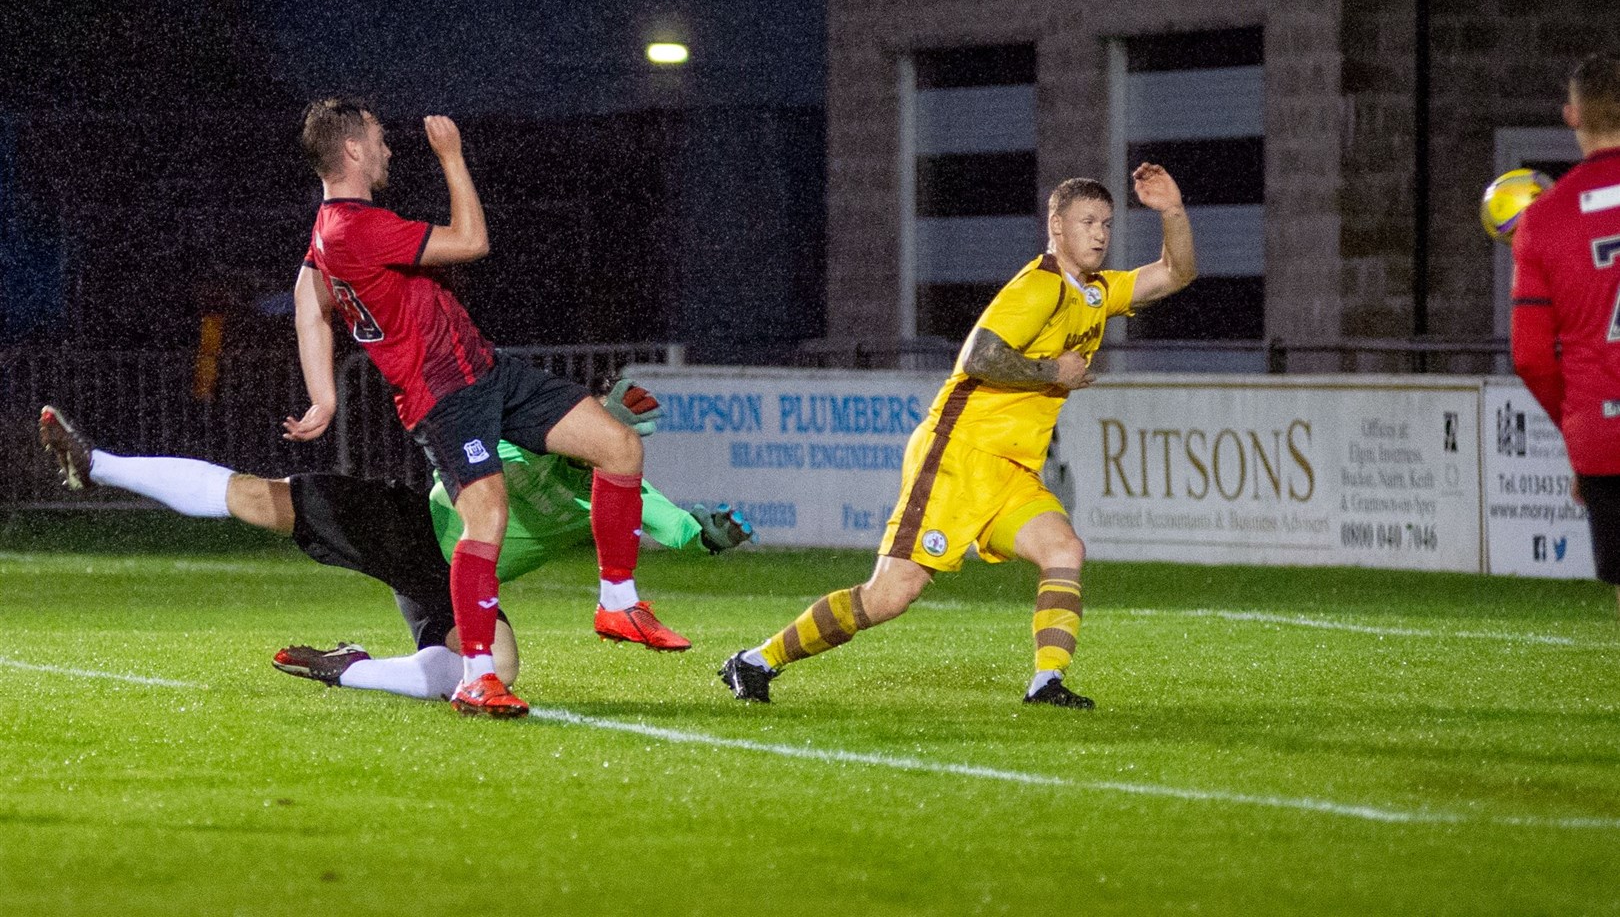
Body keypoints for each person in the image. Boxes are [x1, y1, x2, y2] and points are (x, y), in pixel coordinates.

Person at [719, 165, 1197, 707]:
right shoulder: (1038, 287)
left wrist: (1172, 212)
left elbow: (1175, 273)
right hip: (958, 455)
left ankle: (1047, 683)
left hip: (1011, 469)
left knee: (1064, 548)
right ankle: (755, 661)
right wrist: (1049, 373)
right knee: (891, 595)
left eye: (1107, 224)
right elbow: (978, 357)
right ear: (1057, 227)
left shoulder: (1094, 294)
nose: (1100, 234)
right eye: (1087, 222)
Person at [287, 99, 657, 718]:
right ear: (351, 149)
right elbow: (472, 240)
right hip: (444, 394)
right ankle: (477, 678)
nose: (387, 148)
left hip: (485, 370)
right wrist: (452, 156)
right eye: (378, 138)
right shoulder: (352, 227)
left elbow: (306, 301)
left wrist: (325, 394)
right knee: (486, 517)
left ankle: (618, 602)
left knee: (618, 445)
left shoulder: (333, 230)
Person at [37, 402, 754, 701]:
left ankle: (347, 671)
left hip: (454, 586)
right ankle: (98, 463)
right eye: (594, 423)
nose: (596, 438)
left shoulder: (617, 489)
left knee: (494, 667)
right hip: (413, 531)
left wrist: (710, 533)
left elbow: (677, 524)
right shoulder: (522, 439)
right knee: (264, 500)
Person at [1511, 52, 1620, 617]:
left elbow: (1530, 357)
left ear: (1571, 115)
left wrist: (1578, 428)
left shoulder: (1544, 218)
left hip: (1604, 434)